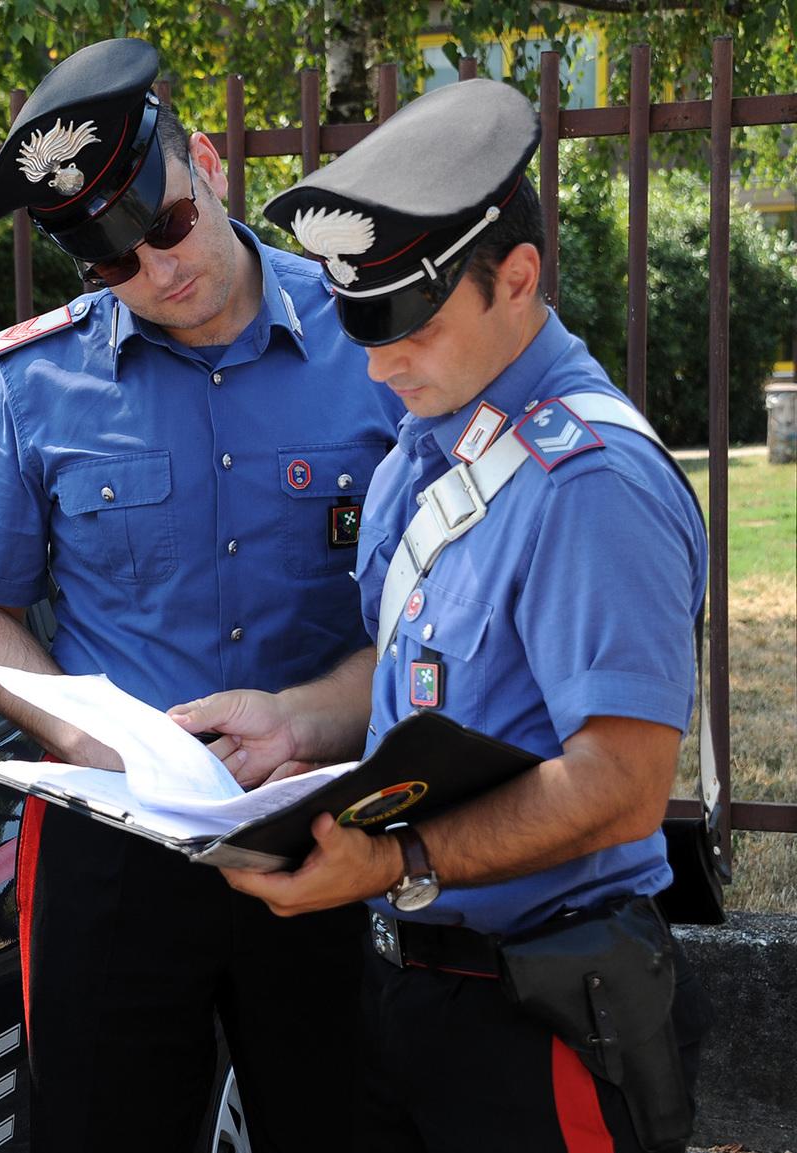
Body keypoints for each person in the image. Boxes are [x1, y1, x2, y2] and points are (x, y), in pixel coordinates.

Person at [170, 77, 713, 1152]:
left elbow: (621, 788)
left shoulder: (589, 483)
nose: (376, 362)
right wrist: (301, 727)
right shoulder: (431, 439)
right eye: (357, 324)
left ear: (518, 278)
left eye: (408, 323)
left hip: (544, 1013)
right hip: (414, 991)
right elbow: (429, 679)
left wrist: (395, 860)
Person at [0, 37, 405, 1153]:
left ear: (214, 165)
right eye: (115, 262)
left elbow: (439, 614)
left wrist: (312, 718)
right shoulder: (41, 382)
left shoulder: (371, 346)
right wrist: (88, 736)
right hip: (118, 858)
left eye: (170, 224)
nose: (160, 271)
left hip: (329, 824)